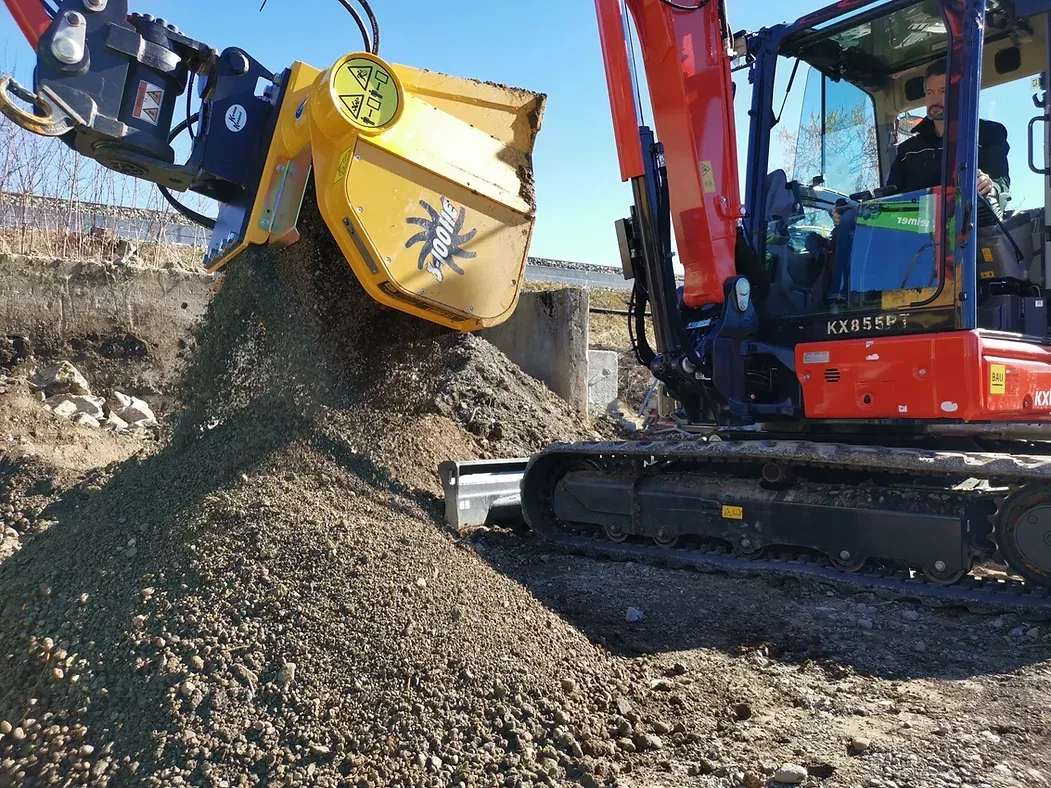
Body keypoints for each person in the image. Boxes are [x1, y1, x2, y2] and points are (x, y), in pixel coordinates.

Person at [826, 59, 1010, 302]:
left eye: (944, 91)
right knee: (850, 219)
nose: (935, 99)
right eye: (930, 92)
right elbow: (890, 194)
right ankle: (842, 299)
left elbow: (1001, 182)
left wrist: (991, 186)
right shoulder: (909, 148)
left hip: (960, 221)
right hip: (910, 222)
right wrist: (859, 208)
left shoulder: (986, 134)